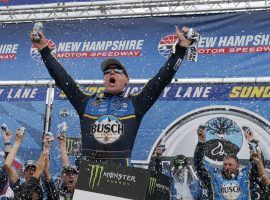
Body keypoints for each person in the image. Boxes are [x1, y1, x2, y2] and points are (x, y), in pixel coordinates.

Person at [30, 25, 196, 165]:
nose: (111, 73)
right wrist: (44, 50)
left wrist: (181, 49)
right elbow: (62, 78)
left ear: (126, 80)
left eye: (117, 71)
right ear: (104, 79)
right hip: (88, 173)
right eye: (107, 71)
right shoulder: (87, 102)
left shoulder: (136, 103)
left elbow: (162, 79)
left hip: (120, 176)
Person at [194, 125, 264, 199]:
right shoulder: (214, 177)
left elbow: (258, 162)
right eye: (225, 164)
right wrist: (201, 143)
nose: (227, 167)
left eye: (230, 164)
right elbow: (199, 164)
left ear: (237, 166)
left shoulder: (245, 176)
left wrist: (252, 141)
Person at [4, 129, 56, 199]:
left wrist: (47, 147)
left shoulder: (44, 189)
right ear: (24, 173)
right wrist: (17, 142)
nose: (31, 172)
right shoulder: (19, 186)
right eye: (28, 169)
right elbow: (7, 165)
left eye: (34, 169)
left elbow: (55, 197)